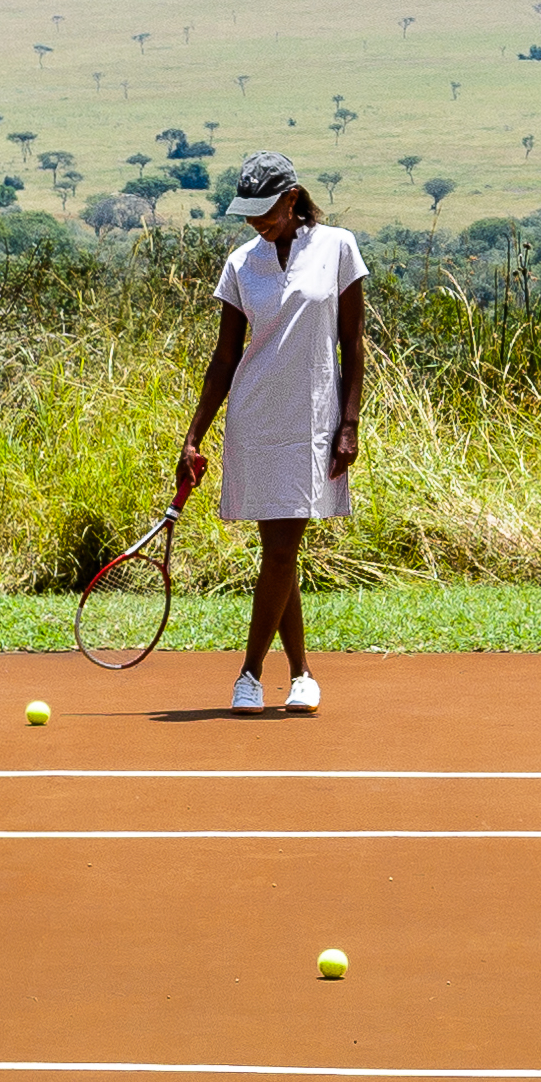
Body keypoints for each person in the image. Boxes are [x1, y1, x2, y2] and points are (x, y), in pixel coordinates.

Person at [174, 154, 364, 714]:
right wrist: (193, 437)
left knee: (282, 549)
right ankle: (301, 673)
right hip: (254, 420)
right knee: (277, 550)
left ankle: (250, 674)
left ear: (292, 199)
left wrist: (349, 423)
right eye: (249, 213)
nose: (257, 222)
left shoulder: (338, 247)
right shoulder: (240, 263)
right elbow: (225, 357)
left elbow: (352, 344)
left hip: (311, 420)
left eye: (267, 211)